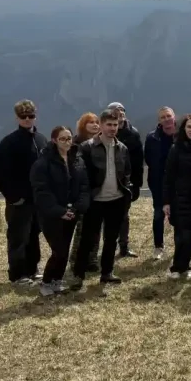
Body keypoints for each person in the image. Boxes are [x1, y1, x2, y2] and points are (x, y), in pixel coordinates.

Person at [72, 109, 134, 289]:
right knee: (87, 239)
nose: (113, 128)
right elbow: (80, 175)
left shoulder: (122, 148)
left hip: (116, 199)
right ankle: (78, 275)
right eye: (109, 124)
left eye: (115, 125)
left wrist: (126, 191)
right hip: (95, 200)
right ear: (101, 125)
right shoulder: (87, 147)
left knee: (111, 238)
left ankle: (106, 273)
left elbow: (126, 172)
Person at [30, 126, 91, 296]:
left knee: (65, 248)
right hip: (51, 215)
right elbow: (42, 192)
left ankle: (57, 281)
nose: (67, 142)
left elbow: (84, 185)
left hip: (72, 212)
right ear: (54, 140)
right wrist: (59, 211)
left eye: (69, 138)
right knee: (59, 250)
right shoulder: (43, 163)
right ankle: (46, 282)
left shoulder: (77, 159)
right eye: (63, 139)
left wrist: (79, 207)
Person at [0, 99, 48, 286]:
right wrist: (13, 197)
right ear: (17, 118)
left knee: (34, 234)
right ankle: (17, 274)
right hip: (19, 200)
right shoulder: (9, 143)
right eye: (23, 116)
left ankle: (33, 269)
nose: (27, 119)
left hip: (38, 199)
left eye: (30, 116)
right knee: (18, 237)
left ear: (35, 116)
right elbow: (1, 173)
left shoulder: (42, 139)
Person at [163, 114, 191, 280]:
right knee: (181, 234)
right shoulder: (176, 149)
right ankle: (176, 268)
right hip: (178, 197)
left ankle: (186, 267)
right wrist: (166, 201)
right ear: (183, 129)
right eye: (188, 127)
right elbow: (168, 177)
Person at [106, 102, 144, 258]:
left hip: (126, 181)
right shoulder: (106, 131)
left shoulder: (133, 134)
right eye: (116, 111)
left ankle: (124, 247)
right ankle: (108, 247)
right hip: (107, 181)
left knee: (124, 216)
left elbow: (138, 161)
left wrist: (137, 184)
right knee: (108, 218)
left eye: (122, 111)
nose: (120, 114)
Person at [69, 112, 102, 272]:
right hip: (80, 192)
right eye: (91, 122)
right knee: (81, 228)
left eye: (97, 122)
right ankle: (75, 258)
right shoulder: (75, 143)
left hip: (98, 190)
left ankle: (92, 259)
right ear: (83, 125)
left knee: (96, 227)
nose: (95, 125)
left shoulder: (102, 142)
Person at [145, 106, 177, 260]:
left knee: (178, 215)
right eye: (163, 117)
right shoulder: (152, 138)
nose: (166, 119)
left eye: (168, 116)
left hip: (178, 183)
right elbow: (148, 160)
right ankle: (158, 247)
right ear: (159, 121)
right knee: (158, 214)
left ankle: (180, 246)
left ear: (174, 117)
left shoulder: (182, 135)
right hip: (158, 182)